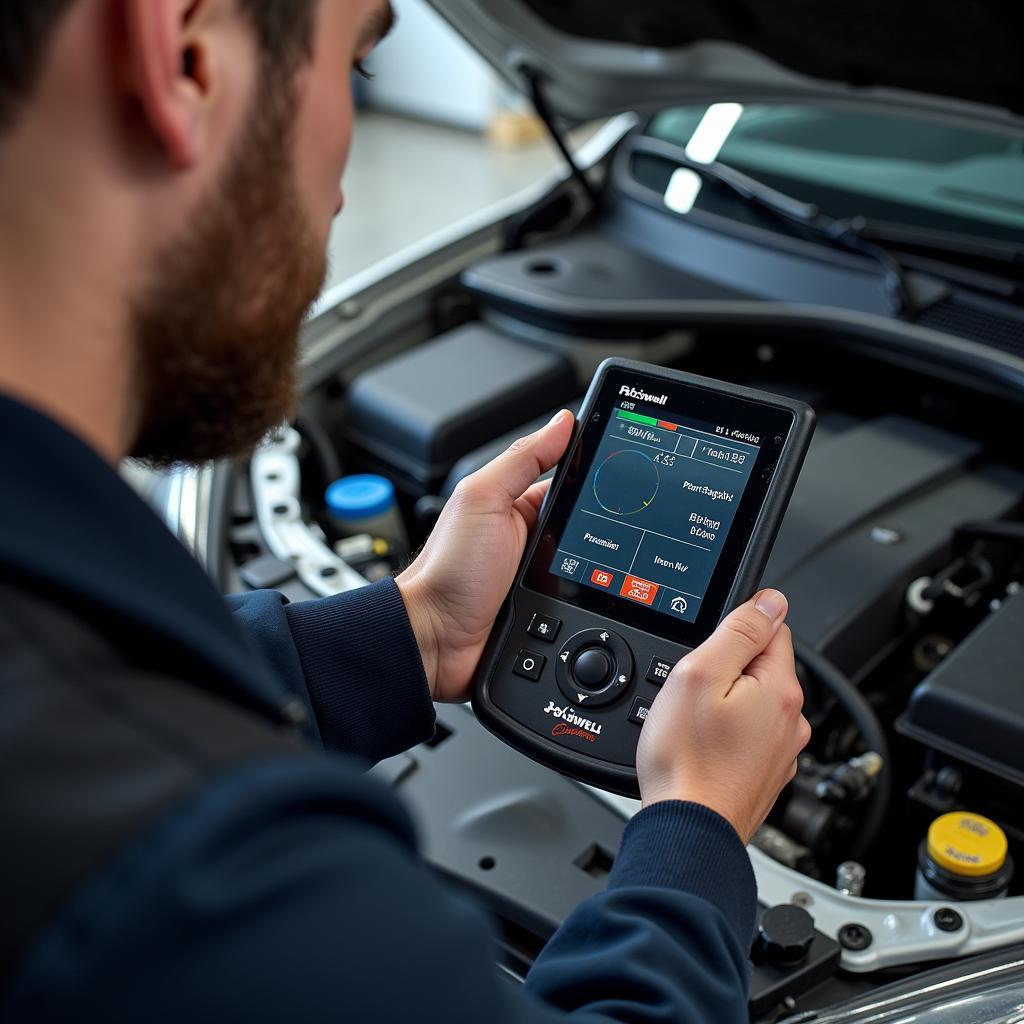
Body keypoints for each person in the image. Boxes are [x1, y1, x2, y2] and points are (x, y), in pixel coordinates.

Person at [0, 1, 811, 1021]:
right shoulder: (208, 883)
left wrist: (411, 629)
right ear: (185, 58)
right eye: (357, 67)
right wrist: (696, 826)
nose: (342, 188)